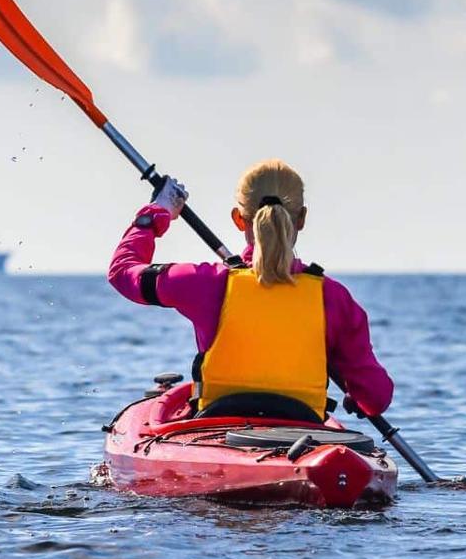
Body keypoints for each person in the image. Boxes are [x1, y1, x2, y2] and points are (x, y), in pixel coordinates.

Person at [108, 159, 393, 424]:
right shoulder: (333, 298)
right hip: (303, 431)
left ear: (239, 219)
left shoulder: (205, 282)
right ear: (302, 218)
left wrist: (157, 214)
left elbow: (123, 272)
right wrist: (356, 396)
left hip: (217, 428)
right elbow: (376, 397)